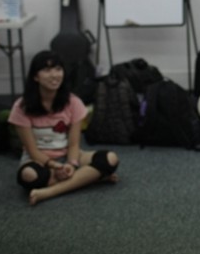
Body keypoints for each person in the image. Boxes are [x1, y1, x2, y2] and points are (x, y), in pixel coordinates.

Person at [9, 50, 119, 206]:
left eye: (58, 69)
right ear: (35, 76)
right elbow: (32, 150)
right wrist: (55, 165)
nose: (54, 75)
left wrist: (71, 164)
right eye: (47, 70)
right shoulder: (21, 106)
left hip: (68, 155)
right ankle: (90, 178)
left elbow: (74, 144)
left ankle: (48, 192)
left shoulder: (73, 102)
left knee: (111, 158)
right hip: (38, 160)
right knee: (29, 176)